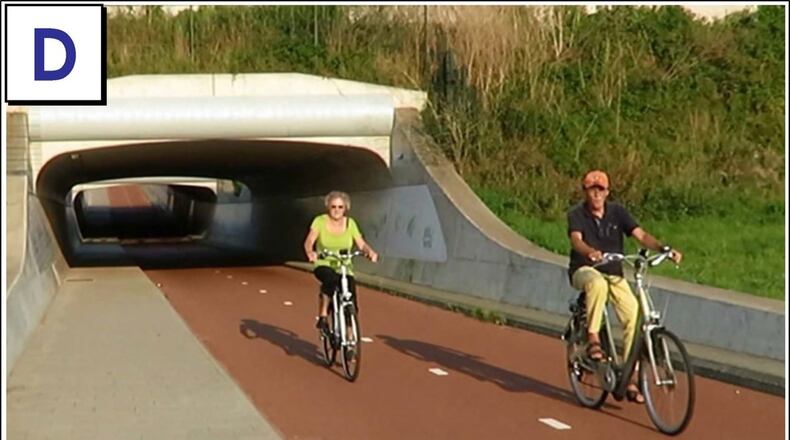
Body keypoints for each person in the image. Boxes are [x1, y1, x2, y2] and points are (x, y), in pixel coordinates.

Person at [567, 170, 682, 404]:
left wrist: (663, 249)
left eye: (601, 189)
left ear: (607, 192)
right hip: (585, 270)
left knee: (633, 314)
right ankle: (593, 339)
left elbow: (640, 235)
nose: (597, 194)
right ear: (585, 192)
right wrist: (590, 252)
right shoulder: (577, 214)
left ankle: (629, 376)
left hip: (615, 273)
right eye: (592, 189)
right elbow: (576, 240)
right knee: (596, 284)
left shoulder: (617, 212)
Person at [303, 190, 378, 334]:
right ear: (328, 207)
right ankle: (323, 314)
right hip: (324, 264)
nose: (336, 210)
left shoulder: (350, 223)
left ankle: (350, 337)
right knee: (330, 279)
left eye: (340, 207)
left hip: (344, 266)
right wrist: (310, 252)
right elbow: (309, 241)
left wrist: (369, 252)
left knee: (351, 295)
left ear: (345, 208)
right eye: (333, 207)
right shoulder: (320, 221)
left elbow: (361, 244)